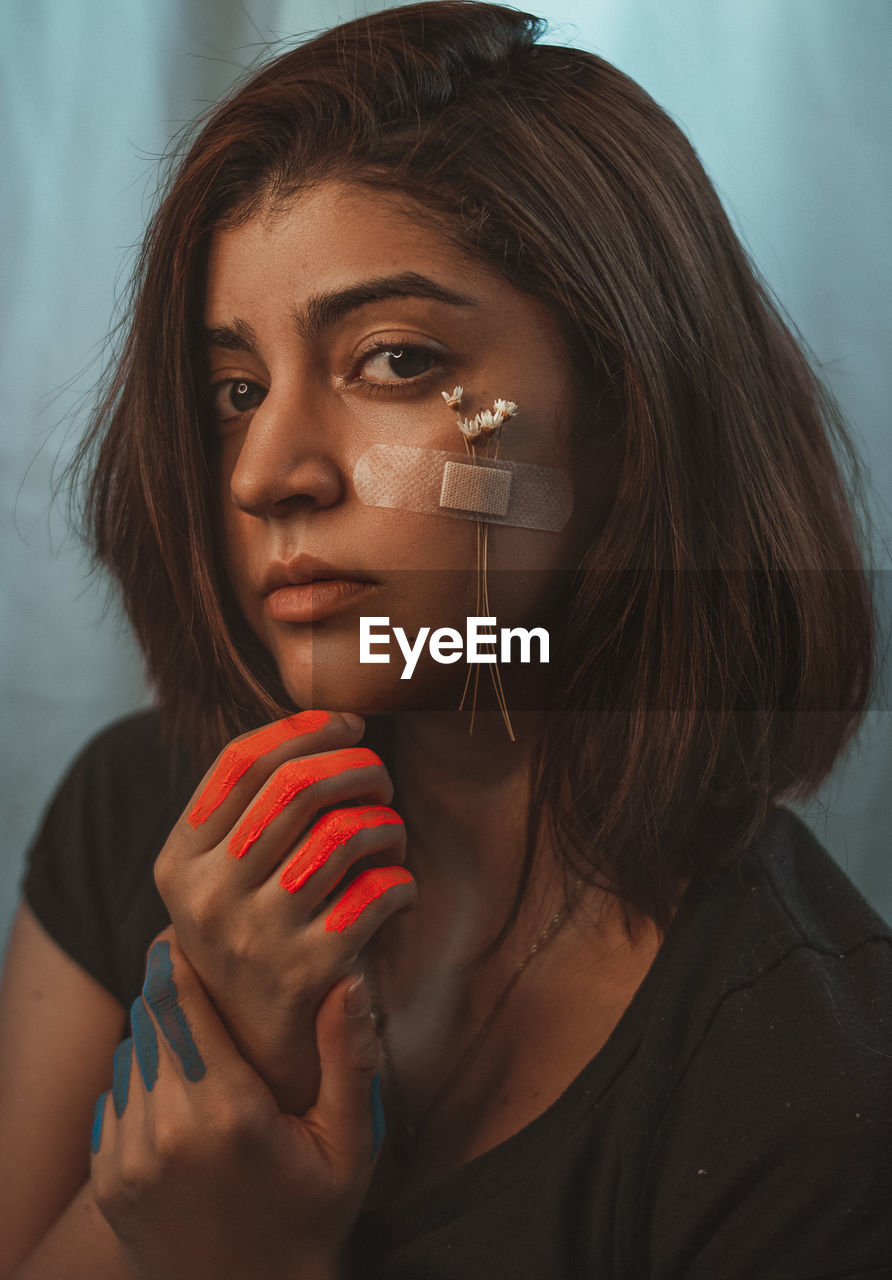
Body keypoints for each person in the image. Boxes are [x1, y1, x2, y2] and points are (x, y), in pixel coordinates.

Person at [1, 3, 889, 1277]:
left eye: (395, 359)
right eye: (234, 392)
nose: (267, 471)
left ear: (622, 421)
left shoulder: (816, 1089)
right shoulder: (141, 806)